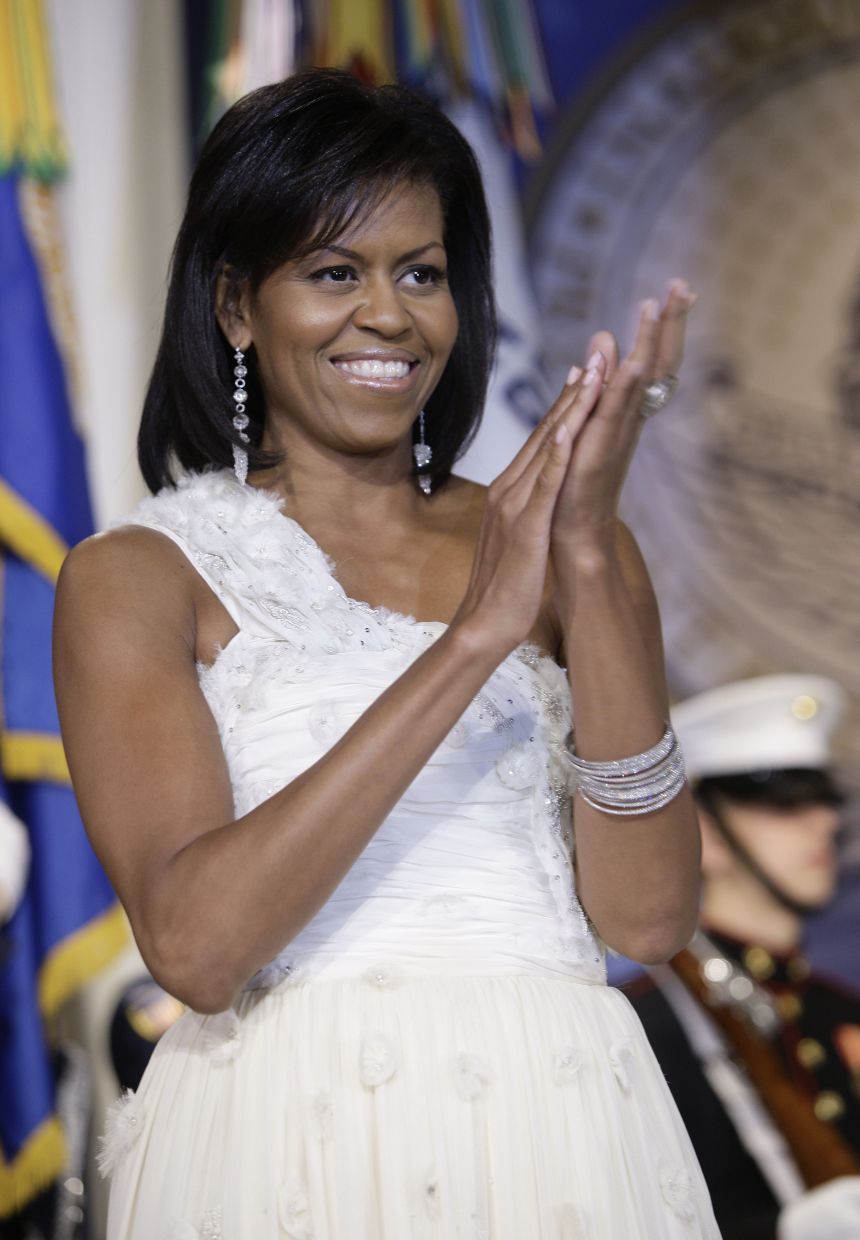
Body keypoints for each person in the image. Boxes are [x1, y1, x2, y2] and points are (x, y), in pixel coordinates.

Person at [53, 68, 717, 1238]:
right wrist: (473, 640)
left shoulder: (565, 548)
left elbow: (650, 918)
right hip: (283, 1141)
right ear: (234, 305)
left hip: (558, 1134)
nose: (390, 315)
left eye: (421, 272)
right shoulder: (140, 576)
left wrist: (585, 560)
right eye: (332, 272)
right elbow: (198, 947)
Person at [628, 675, 860, 1240]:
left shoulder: (832, 1004)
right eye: (782, 804)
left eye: (823, 801)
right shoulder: (652, 1022)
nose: (824, 824)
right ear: (704, 827)